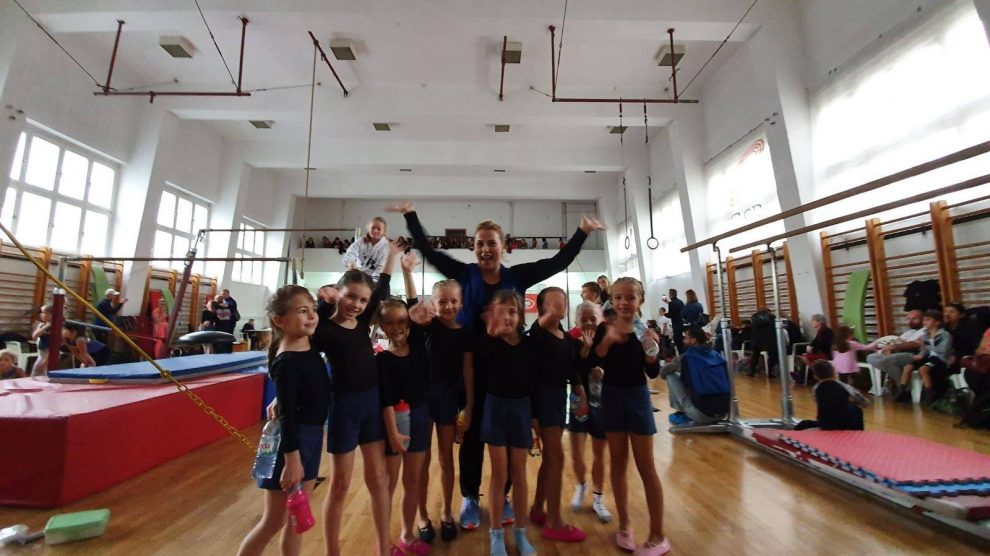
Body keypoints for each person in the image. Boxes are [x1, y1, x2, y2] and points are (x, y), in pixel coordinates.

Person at [387, 200, 604, 529]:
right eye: (479, 244)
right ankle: (470, 497)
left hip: (510, 372)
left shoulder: (518, 276)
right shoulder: (465, 274)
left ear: (504, 247)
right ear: (473, 248)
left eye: (491, 243)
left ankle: (503, 496)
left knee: (511, 440)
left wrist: (582, 231)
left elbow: (559, 260)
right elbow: (430, 252)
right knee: (472, 436)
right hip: (471, 370)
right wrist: (410, 215)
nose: (485, 249)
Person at [312, 240, 402, 556]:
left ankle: (384, 546)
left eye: (363, 300)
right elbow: (295, 349)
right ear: (338, 292)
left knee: (378, 478)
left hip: (371, 405)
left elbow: (383, 286)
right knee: (340, 485)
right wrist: (322, 301)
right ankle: (332, 551)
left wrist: (391, 255)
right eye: (350, 296)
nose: (356, 304)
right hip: (344, 408)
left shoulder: (363, 322)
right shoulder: (323, 328)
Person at [238, 286, 327, 556]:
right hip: (291, 446)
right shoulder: (287, 360)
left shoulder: (307, 344)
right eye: (302, 311)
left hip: (310, 438)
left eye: (313, 310)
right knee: (273, 521)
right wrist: (292, 460)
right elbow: (287, 416)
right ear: (279, 321)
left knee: (297, 520)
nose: (311, 316)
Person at [587, 277, 669, 555]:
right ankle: (624, 525)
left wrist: (651, 354)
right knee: (618, 462)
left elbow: (653, 371)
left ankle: (658, 534)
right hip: (611, 398)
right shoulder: (604, 328)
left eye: (630, 297)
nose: (624, 302)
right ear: (612, 299)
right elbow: (594, 361)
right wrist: (608, 341)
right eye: (618, 297)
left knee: (646, 466)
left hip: (637, 398)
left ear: (640, 301)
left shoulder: (645, 331)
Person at [377, 265, 435, 556]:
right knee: (388, 484)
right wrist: (393, 434)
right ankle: (383, 542)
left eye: (401, 321)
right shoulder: (383, 360)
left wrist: (407, 271)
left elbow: (413, 305)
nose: (397, 327)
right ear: (381, 326)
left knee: (412, 480)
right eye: (389, 323)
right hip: (396, 422)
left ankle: (407, 534)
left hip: (421, 416)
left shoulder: (418, 344)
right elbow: (385, 400)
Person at [476, 290, 538, 556]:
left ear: (520, 316)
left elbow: (533, 382)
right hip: (495, 409)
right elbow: (480, 366)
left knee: (519, 473)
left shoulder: (528, 345)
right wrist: (491, 332)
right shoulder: (488, 343)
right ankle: (496, 533)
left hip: (521, 409)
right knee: (499, 474)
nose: (508, 317)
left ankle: (521, 532)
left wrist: (534, 418)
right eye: (502, 312)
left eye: (513, 312)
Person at [416, 279, 475, 543]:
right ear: (433, 303)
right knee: (422, 459)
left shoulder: (465, 333)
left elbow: (468, 371)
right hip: (422, 395)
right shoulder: (427, 326)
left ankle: (447, 512)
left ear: (461, 303)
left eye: (453, 301)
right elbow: (411, 307)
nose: (449, 306)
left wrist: (469, 407)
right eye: (442, 301)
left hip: (448, 396)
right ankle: (421, 515)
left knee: (446, 458)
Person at [528, 287, 588, 543]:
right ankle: (554, 522)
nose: (559, 306)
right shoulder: (537, 334)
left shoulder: (564, 336)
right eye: (552, 303)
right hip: (542, 399)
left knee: (550, 460)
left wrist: (580, 390)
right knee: (557, 458)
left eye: (562, 301)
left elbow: (571, 368)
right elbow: (531, 373)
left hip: (558, 398)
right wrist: (533, 414)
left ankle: (538, 508)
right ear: (541, 307)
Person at [567, 302, 612, 523]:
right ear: (576, 322)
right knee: (576, 451)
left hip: (602, 403)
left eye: (592, 318)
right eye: (583, 319)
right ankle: (581, 485)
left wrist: (604, 371)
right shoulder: (571, 342)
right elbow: (572, 368)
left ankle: (598, 497)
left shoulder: (608, 339)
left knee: (599, 453)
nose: (588, 323)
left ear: (601, 318)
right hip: (578, 400)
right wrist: (584, 350)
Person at [662, 327, 730, 426]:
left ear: (693, 340)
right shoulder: (717, 355)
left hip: (701, 414)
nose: (684, 341)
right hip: (723, 412)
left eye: (686, 338)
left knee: (670, 375)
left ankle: (681, 411)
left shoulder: (685, 358)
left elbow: (663, 371)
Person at [895, 310, 952, 405]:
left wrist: (925, 346)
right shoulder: (925, 334)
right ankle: (902, 392)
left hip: (940, 358)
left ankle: (929, 394)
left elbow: (943, 350)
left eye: (928, 320)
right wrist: (920, 355)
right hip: (929, 357)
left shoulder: (945, 335)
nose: (925, 322)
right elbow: (925, 350)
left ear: (937, 322)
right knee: (908, 367)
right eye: (924, 320)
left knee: (923, 369)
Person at [794, 361, 869, 431]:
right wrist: (852, 400)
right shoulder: (845, 387)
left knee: (805, 423)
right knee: (856, 409)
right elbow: (865, 403)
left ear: (815, 376)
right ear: (834, 371)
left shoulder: (816, 389)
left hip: (826, 424)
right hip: (845, 424)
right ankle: (858, 434)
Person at [866, 310, 925, 397]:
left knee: (887, 360)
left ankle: (901, 388)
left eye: (914, 319)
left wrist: (894, 347)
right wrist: (889, 347)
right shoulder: (909, 332)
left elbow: (915, 344)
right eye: (908, 319)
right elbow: (897, 341)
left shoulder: (924, 331)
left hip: (913, 355)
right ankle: (901, 385)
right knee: (871, 357)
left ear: (922, 319)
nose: (910, 321)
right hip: (897, 354)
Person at [342, 216, 391, 282]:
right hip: (357, 275)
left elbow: (381, 268)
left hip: (375, 280)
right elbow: (350, 253)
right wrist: (350, 262)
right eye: (373, 228)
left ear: (384, 231)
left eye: (379, 229)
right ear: (368, 228)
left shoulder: (386, 247)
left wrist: (372, 283)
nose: (375, 230)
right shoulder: (361, 241)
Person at [31, 305, 52, 376]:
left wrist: (46, 361)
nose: (41, 314)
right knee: (36, 373)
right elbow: (34, 336)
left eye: (43, 312)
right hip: (41, 354)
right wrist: (47, 326)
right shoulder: (42, 325)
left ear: (51, 315)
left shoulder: (56, 326)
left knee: (43, 372)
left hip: (49, 353)